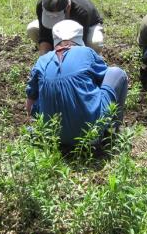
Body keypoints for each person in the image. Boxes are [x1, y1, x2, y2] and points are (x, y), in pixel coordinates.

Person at [25, 20, 128, 149]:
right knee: (117, 73)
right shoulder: (86, 52)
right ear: (79, 39)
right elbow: (103, 76)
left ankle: (54, 135)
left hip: (51, 136)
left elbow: (29, 106)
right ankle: (112, 133)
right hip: (91, 134)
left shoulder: (42, 61)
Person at [26, 0, 104, 55]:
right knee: (32, 29)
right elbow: (44, 36)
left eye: (56, 17)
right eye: (50, 17)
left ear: (68, 7)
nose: (53, 21)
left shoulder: (81, 12)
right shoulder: (42, 5)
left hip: (89, 25)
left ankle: (94, 60)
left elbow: (79, 46)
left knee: (94, 43)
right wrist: (45, 59)